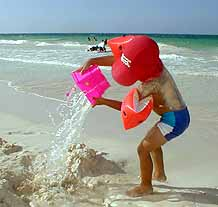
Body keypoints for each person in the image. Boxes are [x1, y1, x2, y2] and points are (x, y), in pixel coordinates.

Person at [78, 35, 190, 197]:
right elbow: (125, 61)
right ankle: (159, 174)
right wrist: (93, 61)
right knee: (152, 142)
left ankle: (146, 186)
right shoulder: (156, 65)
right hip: (178, 114)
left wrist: (103, 101)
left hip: (174, 120)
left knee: (142, 150)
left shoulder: (150, 86)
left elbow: (127, 109)